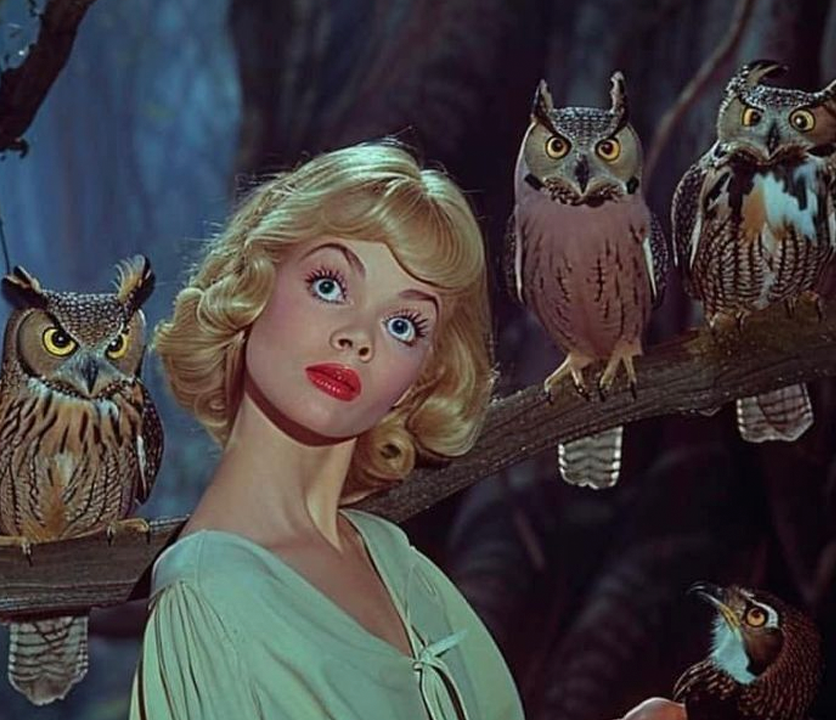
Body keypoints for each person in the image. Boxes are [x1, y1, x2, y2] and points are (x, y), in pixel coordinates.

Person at [129, 140, 682, 720]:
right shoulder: (208, 595)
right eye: (329, 285)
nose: (358, 337)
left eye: (402, 324)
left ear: (419, 379)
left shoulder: (399, 563)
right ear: (253, 286)